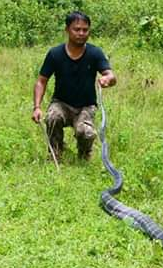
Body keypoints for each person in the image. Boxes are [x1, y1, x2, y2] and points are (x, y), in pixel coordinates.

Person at [32, 11, 117, 161]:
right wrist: (37, 107)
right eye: (76, 29)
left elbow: (111, 75)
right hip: (61, 103)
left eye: (85, 30)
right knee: (52, 118)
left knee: (85, 132)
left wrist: (107, 79)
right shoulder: (55, 54)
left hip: (86, 106)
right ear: (67, 30)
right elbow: (41, 81)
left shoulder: (95, 53)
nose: (81, 33)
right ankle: (55, 153)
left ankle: (84, 155)